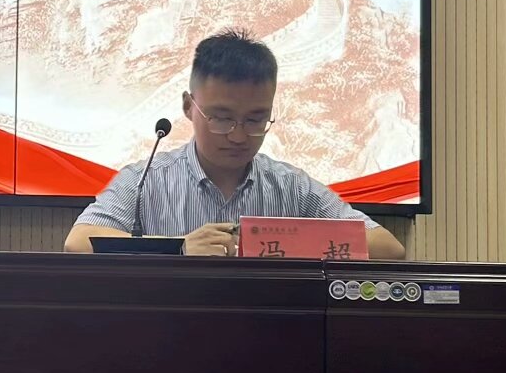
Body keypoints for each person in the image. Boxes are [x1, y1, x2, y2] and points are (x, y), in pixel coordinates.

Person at [64, 30, 406, 259]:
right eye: (221, 118)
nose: (239, 136)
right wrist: (179, 248)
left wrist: (274, 243)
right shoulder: (146, 180)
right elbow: (79, 242)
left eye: (256, 120)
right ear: (188, 106)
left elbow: (388, 249)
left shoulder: (293, 188)